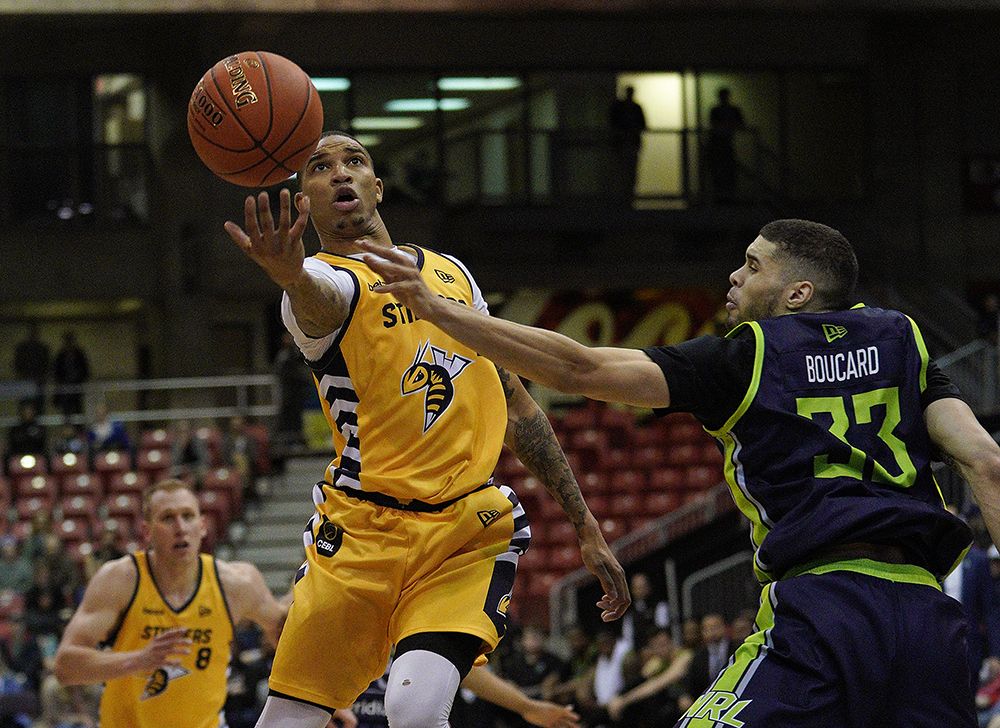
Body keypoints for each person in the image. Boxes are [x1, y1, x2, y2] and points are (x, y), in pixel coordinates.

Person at [361, 217, 1000, 727]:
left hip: (824, 607)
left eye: (752, 266)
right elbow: (985, 461)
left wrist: (444, 314)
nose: (733, 276)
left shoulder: (747, 355)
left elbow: (582, 370)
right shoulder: (900, 338)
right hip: (927, 613)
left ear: (796, 295)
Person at [221, 130, 629, 728]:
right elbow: (314, 298)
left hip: (463, 531)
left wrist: (585, 525)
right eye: (320, 167)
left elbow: (516, 407)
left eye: (355, 161)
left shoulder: (452, 274)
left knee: (413, 709)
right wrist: (289, 276)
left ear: (377, 186)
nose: (340, 173)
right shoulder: (322, 284)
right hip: (361, 535)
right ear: (304, 198)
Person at [52, 478, 293, 728]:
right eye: (168, 518)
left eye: (188, 516)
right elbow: (65, 667)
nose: (180, 527)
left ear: (202, 526)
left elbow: (283, 630)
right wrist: (139, 660)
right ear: (147, 531)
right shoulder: (120, 580)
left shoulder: (236, 583)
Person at [608, 85, 646, 203]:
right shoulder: (627, 108)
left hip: (629, 143)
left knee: (628, 170)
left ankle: (628, 194)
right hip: (623, 143)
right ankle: (625, 194)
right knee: (624, 170)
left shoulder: (632, 108)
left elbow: (643, 125)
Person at [706, 87, 745, 202]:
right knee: (721, 170)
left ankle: (727, 197)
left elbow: (741, 123)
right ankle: (721, 197)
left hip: (724, 143)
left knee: (726, 170)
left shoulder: (722, 110)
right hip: (719, 143)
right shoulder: (718, 110)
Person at [619, 572, 670, 652]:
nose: (641, 590)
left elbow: (663, 631)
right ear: (632, 591)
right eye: (637, 588)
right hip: (641, 655)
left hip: (660, 650)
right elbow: (628, 642)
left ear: (649, 587)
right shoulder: (629, 616)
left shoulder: (660, 607)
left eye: (643, 586)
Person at [13, 323, 49, 412]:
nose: (33, 335)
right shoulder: (22, 348)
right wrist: (23, 376)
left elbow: (47, 365)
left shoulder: (43, 348)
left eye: (35, 333)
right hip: (26, 381)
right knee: (26, 405)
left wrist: (42, 377)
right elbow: (18, 364)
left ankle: (38, 424)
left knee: (39, 405)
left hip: (39, 382)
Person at [52, 331, 90, 417]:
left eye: (70, 340)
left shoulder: (79, 354)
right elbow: (56, 372)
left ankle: (79, 429)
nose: (68, 343)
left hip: (77, 387)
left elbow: (85, 370)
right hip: (64, 387)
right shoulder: (60, 355)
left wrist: (79, 379)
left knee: (78, 411)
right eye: (67, 341)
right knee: (66, 412)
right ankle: (67, 430)